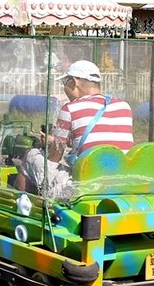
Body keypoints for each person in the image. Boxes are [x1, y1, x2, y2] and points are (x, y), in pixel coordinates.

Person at [14, 60, 134, 198]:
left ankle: (22, 206)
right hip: (118, 181)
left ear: (74, 82)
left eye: (65, 83)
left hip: (84, 184)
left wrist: (53, 144)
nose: (64, 88)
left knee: (31, 155)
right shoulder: (124, 106)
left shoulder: (70, 108)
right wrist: (56, 140)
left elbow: (55, 157)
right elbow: (99, 139)